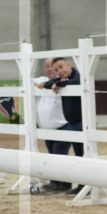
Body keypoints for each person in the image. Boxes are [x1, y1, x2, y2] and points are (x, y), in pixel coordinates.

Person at [33, 61, 71, 193]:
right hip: (47, 129)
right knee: (52, 155)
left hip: (62, 126)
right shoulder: (42, 80)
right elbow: (30, 81)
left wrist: (57, 83)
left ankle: (59, 183)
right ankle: (61, 183)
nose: (49, 69)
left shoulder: (64, 82)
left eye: (52, 67)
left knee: (58, 155)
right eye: (47, 66)